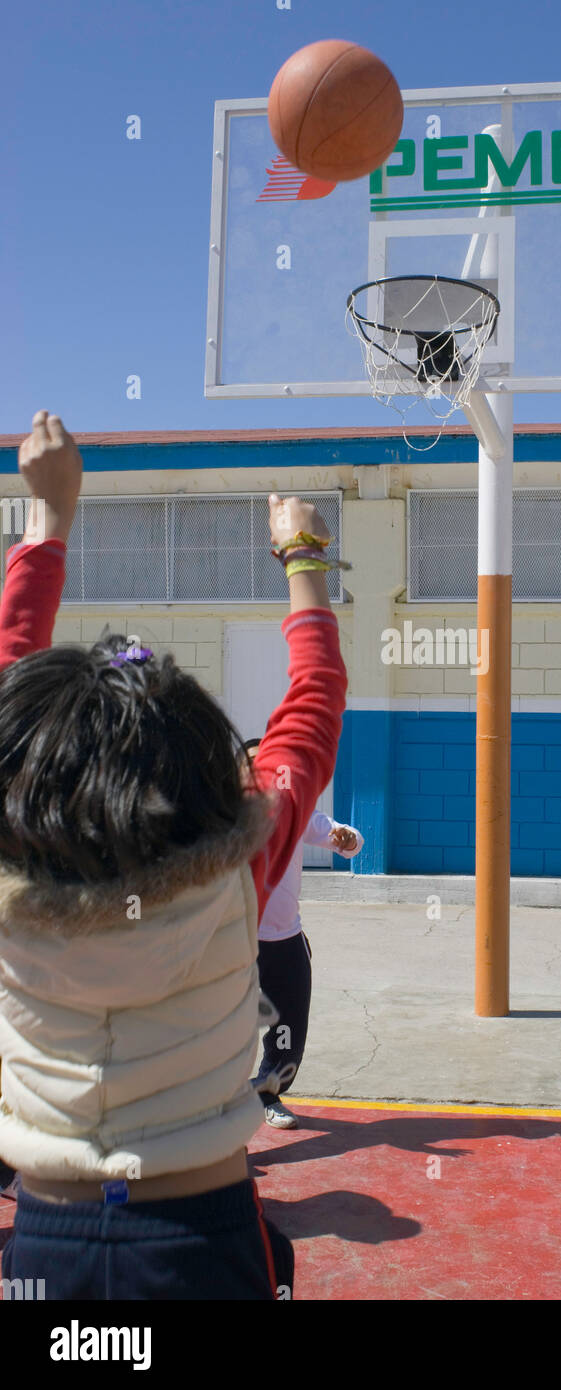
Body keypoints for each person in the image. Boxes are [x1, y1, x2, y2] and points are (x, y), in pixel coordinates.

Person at [0, 411, 348, 1299]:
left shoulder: (11, 877)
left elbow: (10, 678)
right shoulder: (236, 871)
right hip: (203, 1235)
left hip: (49, 1240)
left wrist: (48, 521)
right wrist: (302, 554)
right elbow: (314, 699)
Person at [243, 752, 363, 1130]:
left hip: (285, 941)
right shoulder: (222, 819)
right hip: (234, 942)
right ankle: (207, 1112)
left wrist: (347, 839)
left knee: (289, 1034)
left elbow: (347, 840)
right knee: (221, 1032)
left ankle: (265, 1094)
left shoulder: (296, 814)